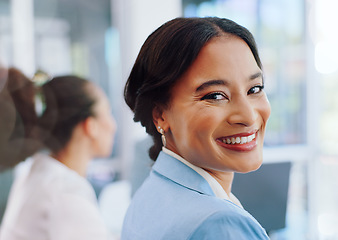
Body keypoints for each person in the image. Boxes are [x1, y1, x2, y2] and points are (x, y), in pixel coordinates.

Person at [121, 17, 271, 239]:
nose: (248, 116)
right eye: (215, 95)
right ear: (160, 114)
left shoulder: (151, 194)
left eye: (254, 89)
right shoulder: (220, 223)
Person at [0, 68, 117, 240]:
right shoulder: (66, 191)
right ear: (90, 126)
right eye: (107, 112)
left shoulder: (40, 170)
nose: (113, 125)